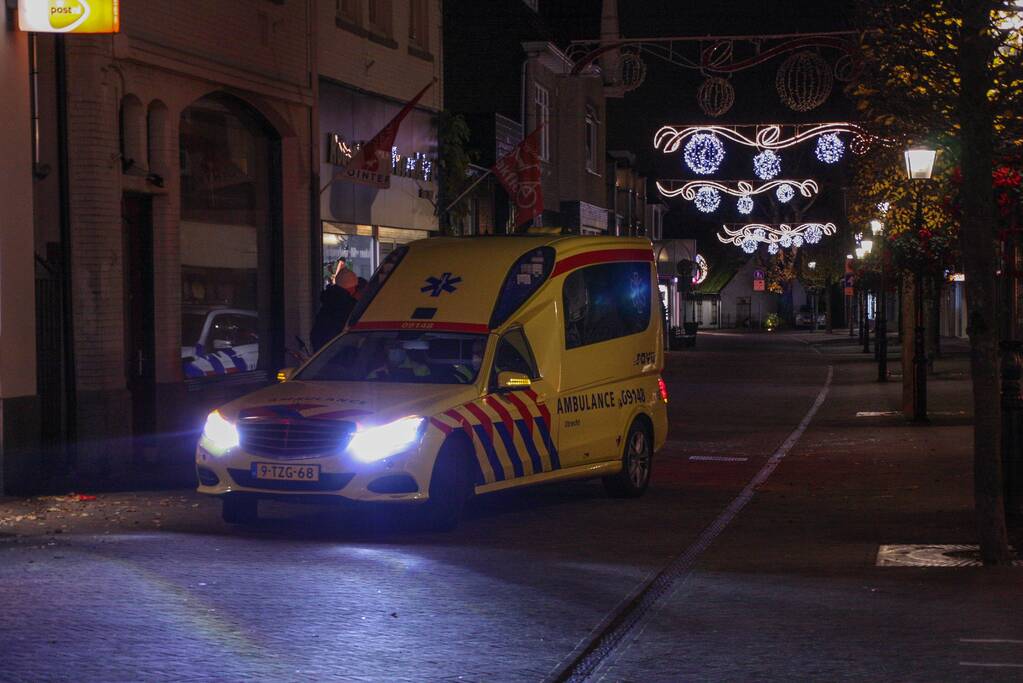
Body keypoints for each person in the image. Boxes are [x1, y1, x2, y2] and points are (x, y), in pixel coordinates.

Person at [310, 277, 357, 352]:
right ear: (351, 288)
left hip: (322, 350)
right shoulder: (349, 306)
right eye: (355, 287)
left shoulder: (328, 302)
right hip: (339, 350)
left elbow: (316, 333)